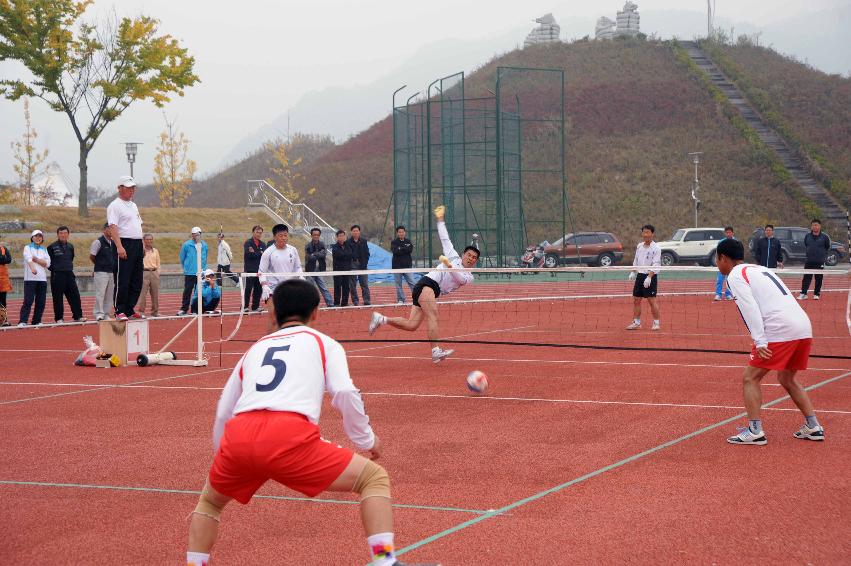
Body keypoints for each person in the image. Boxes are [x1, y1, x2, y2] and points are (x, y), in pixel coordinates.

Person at [185, 279, 432, 566]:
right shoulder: (323, 342)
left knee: (210, 503)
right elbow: (344, 392)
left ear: (274, 313)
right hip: (288, 434)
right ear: (316, 313)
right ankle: (384, 561)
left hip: (239, 436)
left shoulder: (254, 349)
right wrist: (367, 440)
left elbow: (223, 410)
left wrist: (224, 455)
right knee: (373, 478)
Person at [716, 238, 824, 445]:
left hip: (780, 329)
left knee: (750, 378)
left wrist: (760, 341)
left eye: (717, 259)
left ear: (723, 258)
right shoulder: (759, 269)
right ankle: (813, 426)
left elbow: (750, 309)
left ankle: (755, 430)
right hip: (802, 326)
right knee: (787, 378)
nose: (717, 264)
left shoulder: (736, 275)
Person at [369, 206, 479, 363]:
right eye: (469, 254)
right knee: (433, 314)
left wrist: (449, 266)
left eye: (474, 257)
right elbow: (445, 238)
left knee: (411, 325)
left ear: (475, 261)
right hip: (428, 284)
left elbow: (459, 279)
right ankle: (435, 351)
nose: (470, 258)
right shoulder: (453, 256)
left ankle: (381, 319)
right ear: (463, 254)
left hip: (431, 290)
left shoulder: (468, 276)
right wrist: (440, 219)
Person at [107, 175, 145, 321]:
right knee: (123, 279)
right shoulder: (115, 205)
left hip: (136, 244)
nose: (132, 191)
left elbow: (138, 225)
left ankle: (129, 309)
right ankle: (119, 310)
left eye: (133, 188)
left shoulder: (133, 205)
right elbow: (113, 227)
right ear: (120, 188)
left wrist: (141, 244)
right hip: (124, 243)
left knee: (137, 280)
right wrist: (119, 246)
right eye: (128, 188)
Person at [46, 226, 85, 323]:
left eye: (65, 233)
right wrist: (56, 269)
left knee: (75, 296)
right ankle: (59, 318)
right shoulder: (51, 247)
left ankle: (78, 316)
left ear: (68, 234)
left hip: (69, 274)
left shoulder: (71, 246)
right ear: (58, 234)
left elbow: (71, 258)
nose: (63, 235)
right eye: (61, 233)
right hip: (57, 275)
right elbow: (48, 262)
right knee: (58, 298)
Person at [626, 224, 661, 331]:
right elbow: (636, 260)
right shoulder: (639, 246)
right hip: (640, 275)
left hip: (650, 275)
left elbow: (656, 264)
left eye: (648, 232)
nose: (645, 234)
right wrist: (633, 272)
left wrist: (649, 277)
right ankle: (636, 323)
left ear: (652, 234)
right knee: (636, 300)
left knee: (651, 301)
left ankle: (656, 323)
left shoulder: (656, 248)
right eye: (644, 232)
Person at [258, 223, 302, 304]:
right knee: (274, 315)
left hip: (290, 287)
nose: (283, 238)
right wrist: (264, 286)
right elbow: (261, 271)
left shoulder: (293, 250)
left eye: (285, 235)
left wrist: (301, 277)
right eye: (280, 235)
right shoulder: (268, 252)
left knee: (289, 314)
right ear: (274, 237)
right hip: (272, 289)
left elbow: (298, 267)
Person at [19, 229, 50, 326]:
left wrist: (36, 259)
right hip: (30, 279)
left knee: (41, 302)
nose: (38, 238)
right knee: (28, 301)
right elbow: (28, 258)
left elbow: (47, 264)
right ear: (32, 238)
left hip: (42, 279)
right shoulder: (27, 247)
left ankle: (36, 321)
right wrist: (33, 268)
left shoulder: (44, 249)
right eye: (36, 236)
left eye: (40, 236)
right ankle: (23, 321)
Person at [89, 223, 118, 321]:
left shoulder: (113, 243)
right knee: (100, 293)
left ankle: (106, 313)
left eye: (112, 229)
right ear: (104, 230)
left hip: (111, 272)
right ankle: (98, 313)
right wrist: (99, 265)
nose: (111, 231)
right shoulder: (98, 242)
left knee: (109, 294)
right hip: (101, 271)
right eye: (109, 229)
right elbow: (92, 256)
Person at [178, 227, 208, 316]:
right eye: (195, 235)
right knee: (187, 291)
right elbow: (182, 258)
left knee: (198, 292)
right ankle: (184, 309)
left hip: (200, 272)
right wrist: (186, 268)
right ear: (192, 235)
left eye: (198, 234)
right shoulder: (187, 245)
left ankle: (195, 309)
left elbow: (205, 258)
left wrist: (203, 270)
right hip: (190, 273)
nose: (197, 236)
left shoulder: (204, 245)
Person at [799, 219, 831, 301]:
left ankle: (816, 294)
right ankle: (803, 293)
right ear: (811, 226)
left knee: (819, 278)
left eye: (816, 225)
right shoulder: (807, 236)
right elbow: (806, 245)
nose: (815, 227)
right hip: (809, 261)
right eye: (813, 225)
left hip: (819, 261)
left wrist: (822, 256)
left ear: (820, 226)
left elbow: (827, 247)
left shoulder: (825, 237)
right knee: (806, 277)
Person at [305, 227, 334, 307]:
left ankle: (330, 303)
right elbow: (309, 257)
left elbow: (324, 254)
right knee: (310, 289)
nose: (316, 236)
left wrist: (314, 254)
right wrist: (318, 254)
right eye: (314, 235)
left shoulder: (322, 244)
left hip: (320, 269)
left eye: (317, 235)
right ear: (311, 235)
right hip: (310, 270)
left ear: (319, 236)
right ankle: (311, 305)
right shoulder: (308, 246)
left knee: (323, 288)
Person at [136, 233, 161, 318]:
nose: (149, 241)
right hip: (144, 272)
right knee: (142, 294)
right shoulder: (140, 250)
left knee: (155, 293)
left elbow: (158, 263)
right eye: (147, 239)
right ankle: (141, 311)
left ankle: (155, 312)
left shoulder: (156, 251)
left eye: (150, 239)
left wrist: (157, 273)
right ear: (144, 240)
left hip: (154, 272)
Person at [243, 225, 266, 313]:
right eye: (257, 232)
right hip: (250, 269)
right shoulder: (248, 243)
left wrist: (256, 253)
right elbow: (249, 255)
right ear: (253, 232)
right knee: (248, 288)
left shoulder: (263, 244)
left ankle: (255, 306)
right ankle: (245, 306)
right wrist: (259, 253)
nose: (259, 234)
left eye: (260, 233)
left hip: (259, 270)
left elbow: (264, 256)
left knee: (258, 289)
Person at [391, 225, 415, 304]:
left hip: (407, 266)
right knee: (398, 284)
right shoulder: (394, 242)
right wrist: (404, 249)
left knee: (412, 282)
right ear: (397, 233)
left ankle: (417, 297)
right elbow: (395, 251)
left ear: (405, 233)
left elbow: (410, 250)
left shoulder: (408, 241)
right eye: (399, 232)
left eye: (402, 232)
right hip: (397, 267)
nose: (401, 233)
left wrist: (401, 248)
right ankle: (401, 299)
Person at [348, 224, 371, 306]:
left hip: (363, 265)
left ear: (359, 232)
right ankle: (355, 301)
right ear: (351, 232)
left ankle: (367, 300)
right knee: (352, 285)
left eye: (357, 231)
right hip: (352, 265)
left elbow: (367, 253)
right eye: (354, 231)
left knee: (364, 284)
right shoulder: (348, 242)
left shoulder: (364, 241)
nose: (355, 232)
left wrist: (364, 263)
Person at [331, 229, 352, 307]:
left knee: (346, 287)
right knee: (337, 287)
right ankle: (336, 302)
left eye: (343, 236)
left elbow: (350, 254)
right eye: (340, 236)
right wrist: (345, 255)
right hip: (337, 269)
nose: (341, 237)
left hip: (347, 269)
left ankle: (345, 302)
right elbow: (338, 255)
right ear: (337, 237)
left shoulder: (348, 245)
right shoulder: (335, 247)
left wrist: (345, 255)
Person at [713, 226, 735, 301]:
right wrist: (718, 261)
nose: (728, 234)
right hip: (723, 264)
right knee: (720, 280)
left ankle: (728, 294)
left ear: (732, 233)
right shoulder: (721, 242)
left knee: (730, 280)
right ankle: (718, 294)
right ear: (725, 233)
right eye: (727, 232)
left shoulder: (736, 242)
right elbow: (718, 253)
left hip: (731, 265)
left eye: (730, 232)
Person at [0, 239, 11, 327]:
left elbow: (9, 260)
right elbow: (4, 259)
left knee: (3, 301)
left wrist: (3, 259)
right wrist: (3, 258)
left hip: (3, 279)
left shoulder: (4, 248)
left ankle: (4, 320)